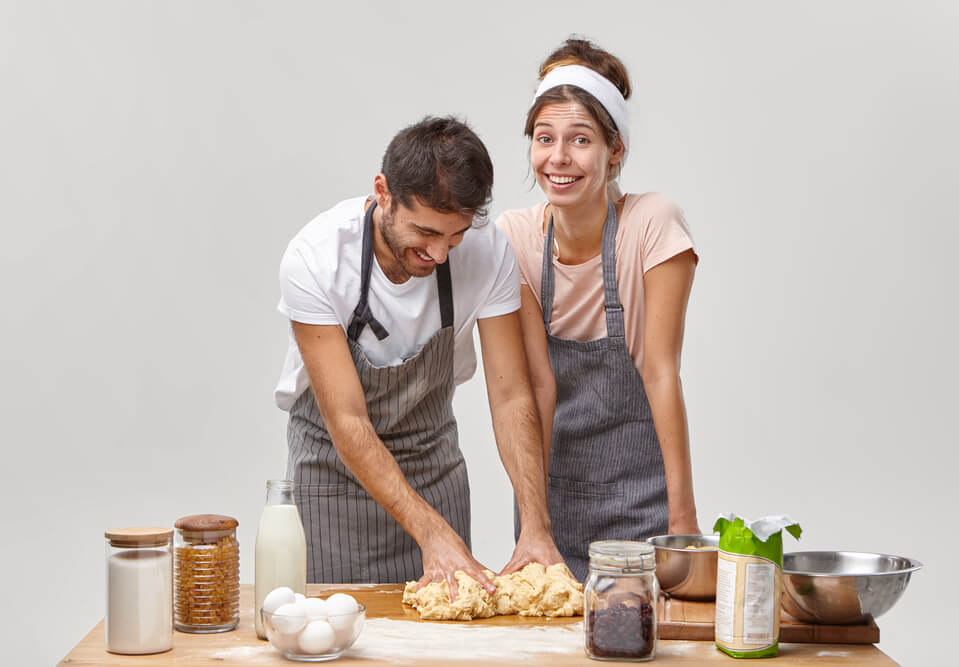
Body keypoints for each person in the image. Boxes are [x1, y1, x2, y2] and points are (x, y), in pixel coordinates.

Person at [274, 116, 562, 594]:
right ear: (383, 191)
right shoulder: (316, 258)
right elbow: (347, 420)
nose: (440, 254)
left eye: (456, 236)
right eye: (425, 232)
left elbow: (512, 394)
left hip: (434, 473)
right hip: (332, 481)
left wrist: (535, 524)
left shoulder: (490, 253)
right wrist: (429, 532)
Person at [498, 39, 701, 580]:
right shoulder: (515, 238)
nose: (559, 158)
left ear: (616, 151)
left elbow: (661, 373)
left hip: (644, 515)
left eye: (580, 140)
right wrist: (532, 526)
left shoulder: (652, 224)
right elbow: (537, 388)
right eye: (545, 139)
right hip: (551, 510)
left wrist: (682, 523)